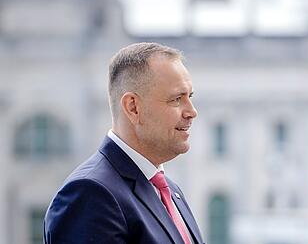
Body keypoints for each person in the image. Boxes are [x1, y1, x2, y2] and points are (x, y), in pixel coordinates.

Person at [45, 42, 203, 243]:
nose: (192, 112)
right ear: (133, 107)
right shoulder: (90, 194)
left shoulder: (170, 191)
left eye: (189, 97)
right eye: (176, 99)